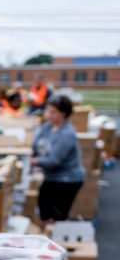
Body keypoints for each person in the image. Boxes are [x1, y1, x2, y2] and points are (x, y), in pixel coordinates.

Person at [32, 94, 85, 224]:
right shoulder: (47, 127)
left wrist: (35, 161)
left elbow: (54, 161)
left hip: (67, 179)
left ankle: (54, 235)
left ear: (64, 114)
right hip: (52, 177)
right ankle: (46, 230)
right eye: (48, 110)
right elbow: (35, 145)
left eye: (53, 112)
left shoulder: (67, 134)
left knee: (57, 214)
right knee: (43, 206)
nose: (48, 114)